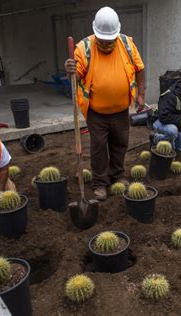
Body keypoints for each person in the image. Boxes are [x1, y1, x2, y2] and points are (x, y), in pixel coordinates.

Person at [64, 6, 145, 201]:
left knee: (120, 144)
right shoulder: (83, 48)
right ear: (95, 33)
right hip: (96, 112)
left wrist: (141, 94)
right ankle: (100, 183)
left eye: (110, 40)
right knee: (99, 146)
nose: (106, 43)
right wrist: (69, 70)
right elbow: (75, 77)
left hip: (121, 110)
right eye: (102, 40)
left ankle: (117, 175)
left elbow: (140, 69)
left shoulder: (126, 44)